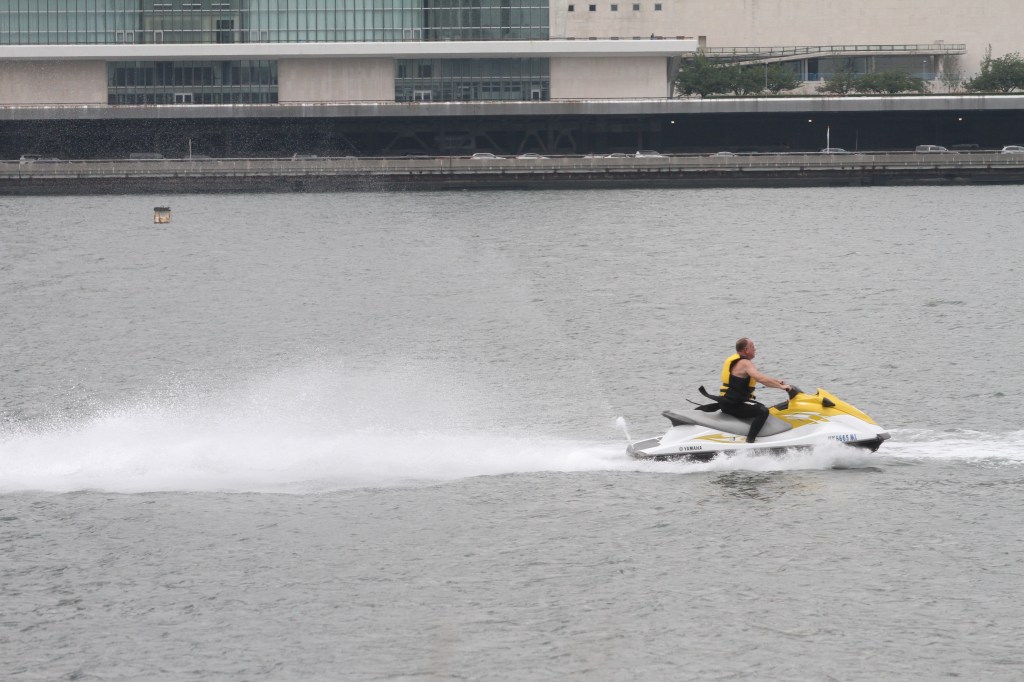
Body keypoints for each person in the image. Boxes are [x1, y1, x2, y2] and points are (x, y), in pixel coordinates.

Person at [718, 338, 791, 443]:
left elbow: (762, 378)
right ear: (746, 349)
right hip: (732, 405)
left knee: (760, 407)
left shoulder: (739, 362)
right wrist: (781, 387)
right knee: (763, 411)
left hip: (729, 402)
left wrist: (777, 382)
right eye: (753, 347)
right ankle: (750, 441)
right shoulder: (744, 363)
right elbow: (761, 379)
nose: (755, 349)